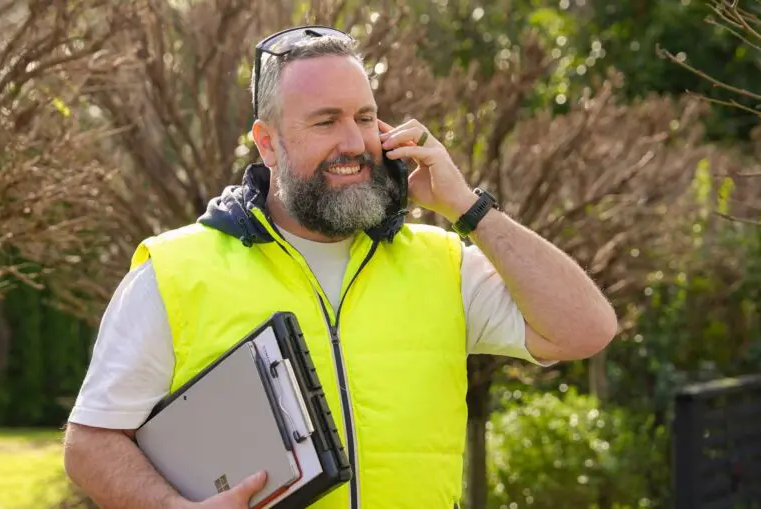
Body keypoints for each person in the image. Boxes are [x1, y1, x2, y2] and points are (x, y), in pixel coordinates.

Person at [63, 25, 618, 509]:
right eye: (326, 121)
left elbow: (585, 329)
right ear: (268, 144)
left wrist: (467, 208)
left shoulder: (443, 264)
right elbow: (91, 442)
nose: (354, 142)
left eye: (365, 117)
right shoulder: (175, 270)